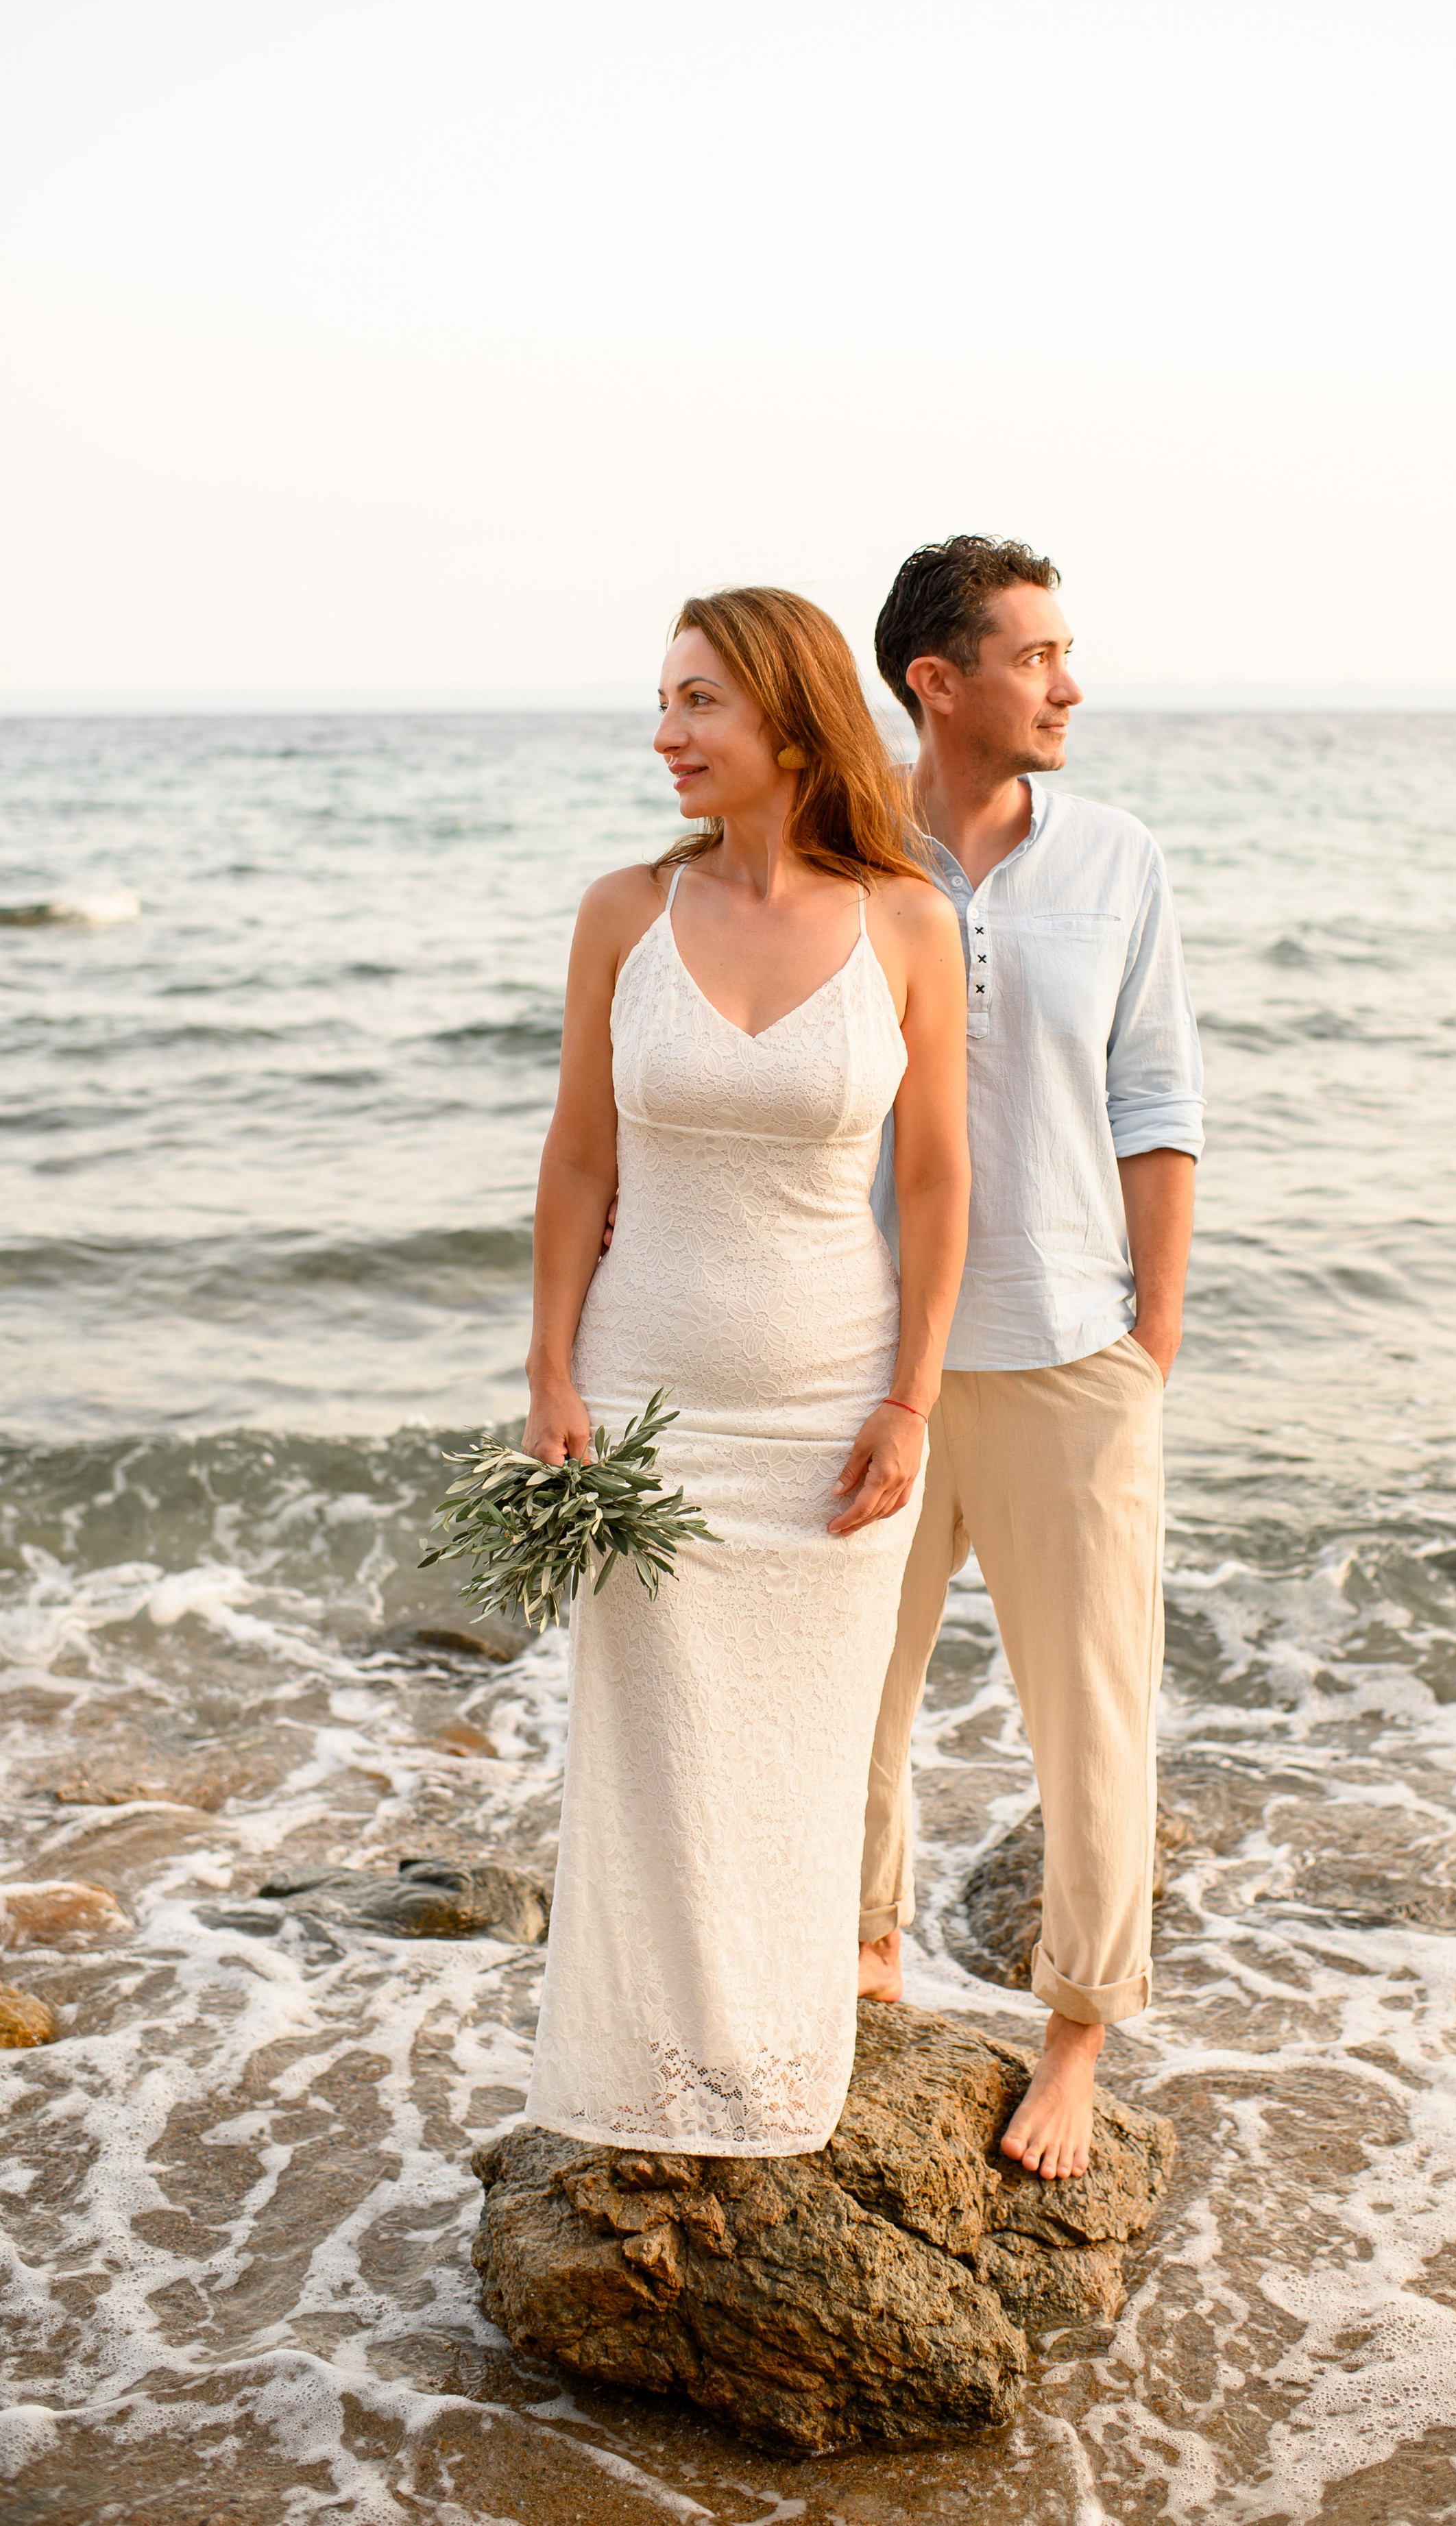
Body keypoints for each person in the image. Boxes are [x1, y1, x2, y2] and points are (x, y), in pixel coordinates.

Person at [522, 587, 969, 2154]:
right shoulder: (623, 912)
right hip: (645, 1397)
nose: (665, 733)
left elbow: (933, 1187)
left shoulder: (907, 919)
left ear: (786, 716)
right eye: (661, 700)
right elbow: (579, 1157)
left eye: (697, 701)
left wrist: (912, 1397)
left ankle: (774, 2072)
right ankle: (638, 2081)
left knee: (794, 1751)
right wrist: (549, 1374)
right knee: (651, 1750)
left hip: (830, 1412)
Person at [859, 536, 1204, 2181]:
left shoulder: (1117, 855)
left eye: (1069, 653)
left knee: (1091, 1714)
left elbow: (1154, 1098)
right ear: (939, 678)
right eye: (1038, 654)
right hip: (869, 1355)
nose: (1070, 684)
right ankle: (861, 1965)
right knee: (854, 1690)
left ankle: (1075, 2032)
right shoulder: (844, 849)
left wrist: (1153, 1326)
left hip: (1071, 1355)